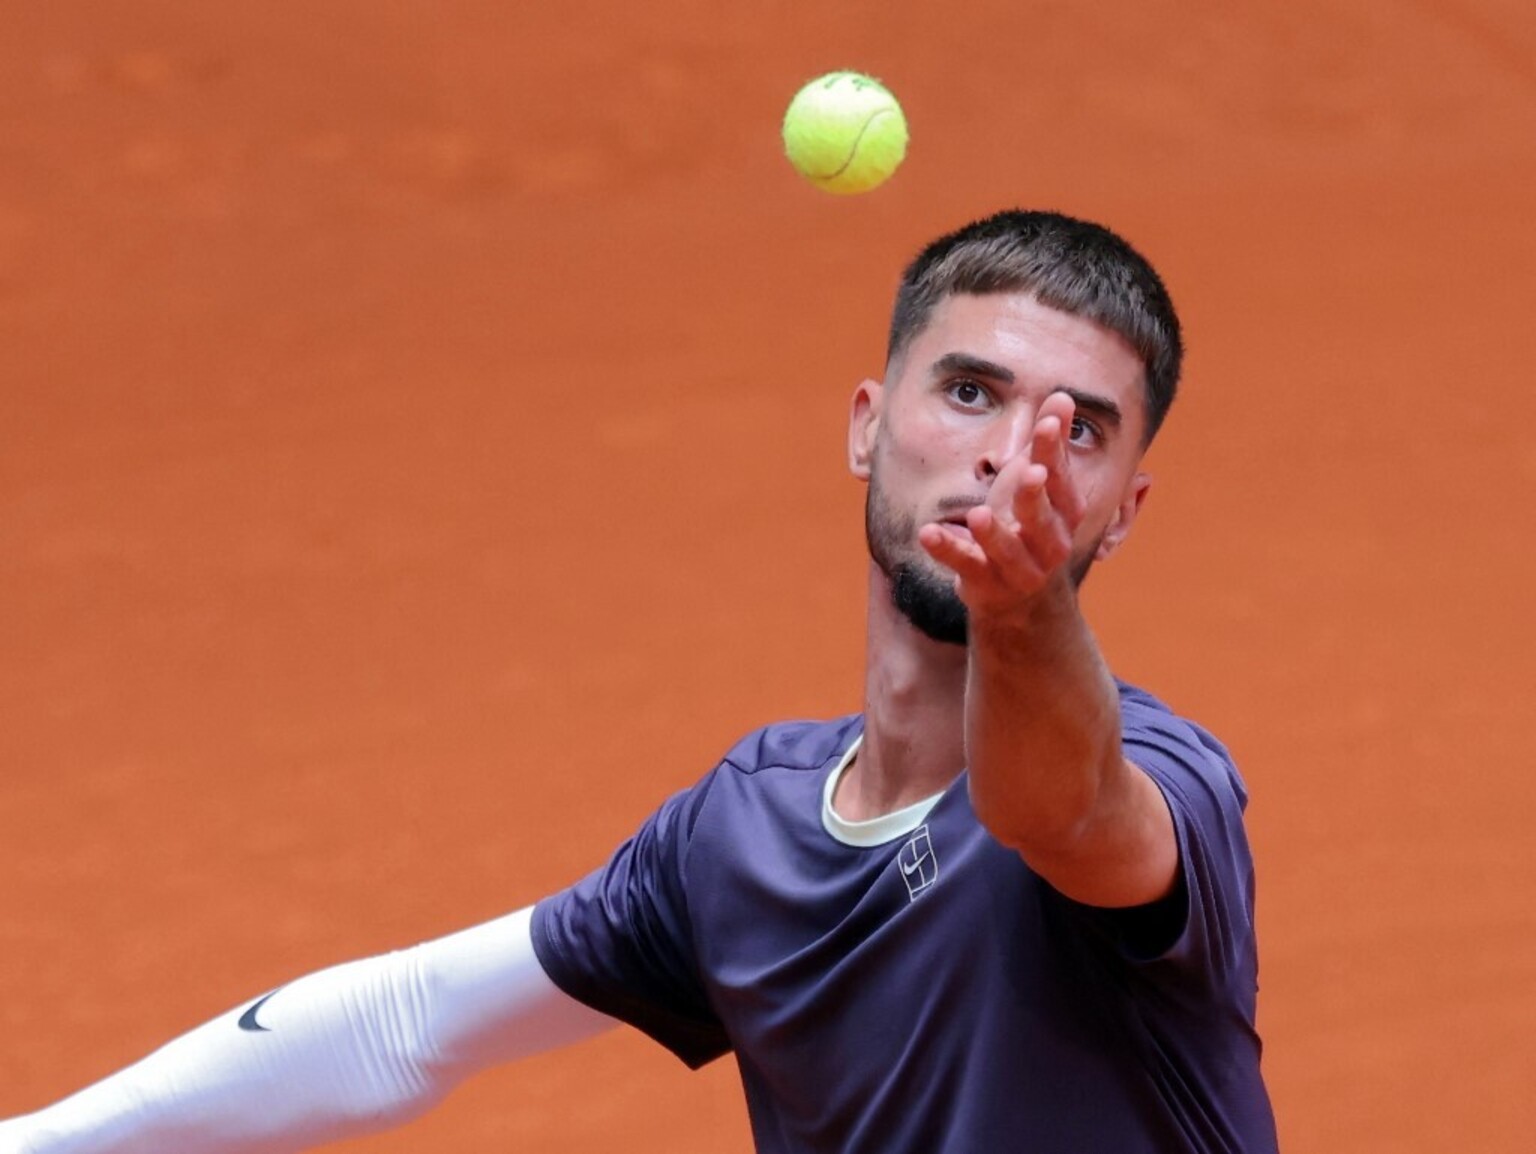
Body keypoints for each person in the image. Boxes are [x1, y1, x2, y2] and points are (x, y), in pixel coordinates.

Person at [0, 209, 1278, 1153]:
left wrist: (1023, 607)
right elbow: (405, 1021)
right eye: (970, 390)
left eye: (1077, 431)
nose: (1011, 457)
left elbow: (1058, 808)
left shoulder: (1168, 782)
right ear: (866, 424)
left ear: (1122, 513)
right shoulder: (743, 832)